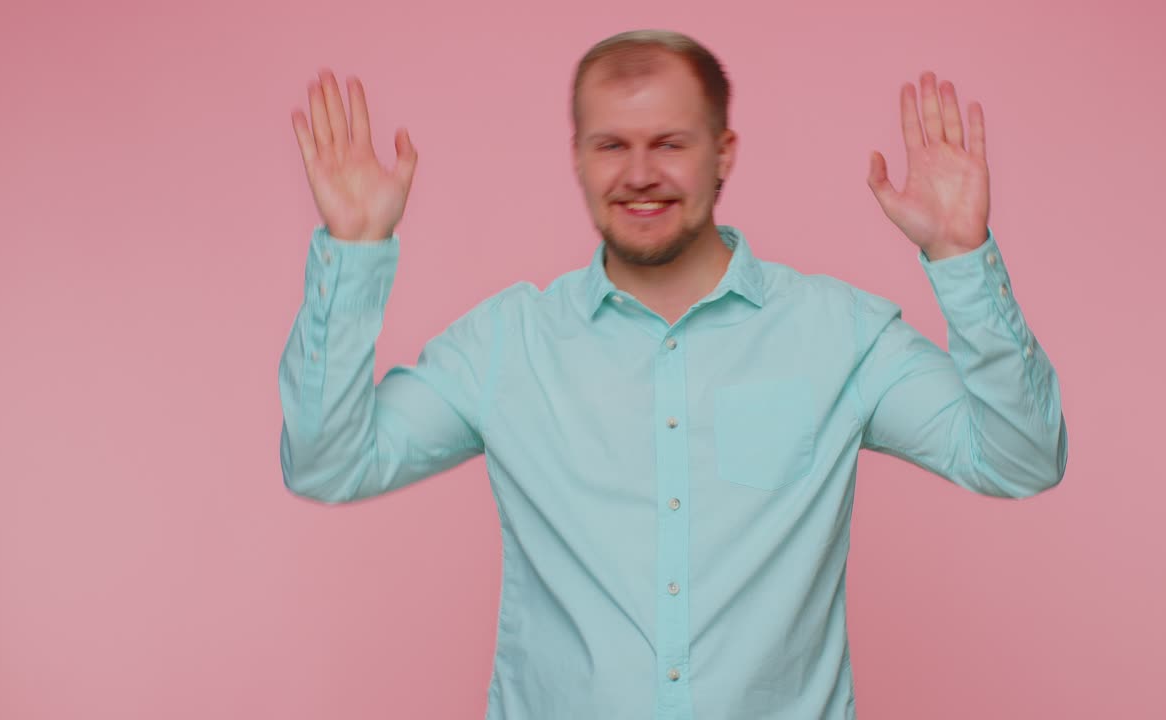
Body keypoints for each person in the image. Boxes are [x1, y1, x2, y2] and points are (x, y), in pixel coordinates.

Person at [279, 28, 1067, 720]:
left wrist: (962, 257)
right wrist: (353, 254)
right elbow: (329, 465)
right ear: (580, 159)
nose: (640, 174)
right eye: (612, 145)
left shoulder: (839, 336)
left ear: (722, 153)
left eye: (671, 143)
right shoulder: (506, 346)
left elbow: (1020, 459)